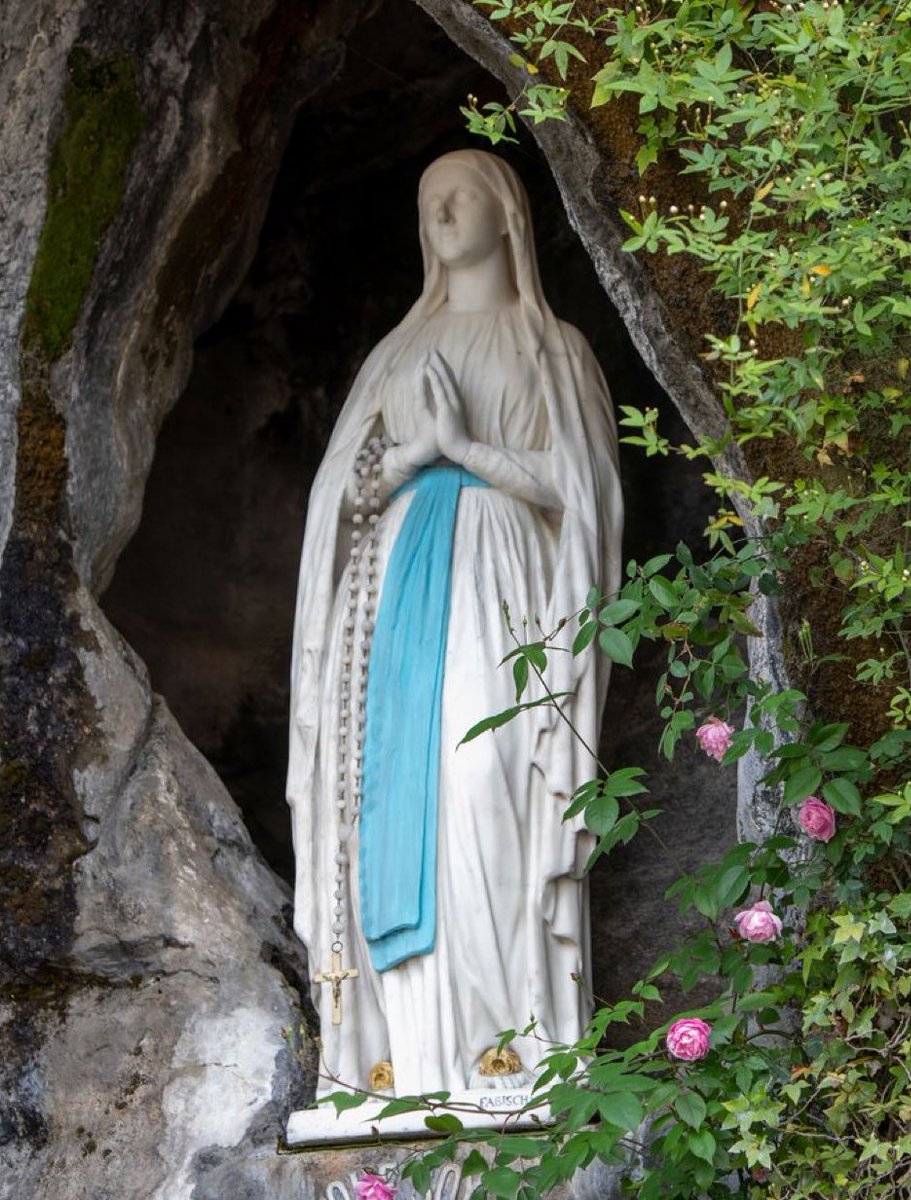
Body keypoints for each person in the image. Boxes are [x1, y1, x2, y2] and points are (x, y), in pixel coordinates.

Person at [286, 149, 622, 1099]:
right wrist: (409, 462)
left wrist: (467, 449)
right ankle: (408, 1065)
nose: (440, 210)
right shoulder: (395, 357)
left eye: (459, 193)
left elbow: (584, 496)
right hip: (396, 598)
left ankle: (510, 1045)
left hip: (502, 586)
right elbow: (334, 506)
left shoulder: (553, 352)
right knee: (391, 798)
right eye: (428, 199)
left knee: (487, 785)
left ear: (509, 212)